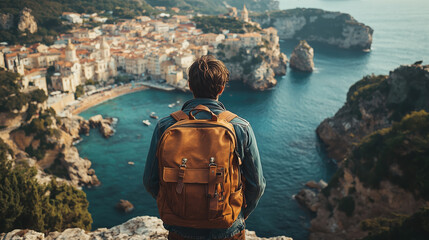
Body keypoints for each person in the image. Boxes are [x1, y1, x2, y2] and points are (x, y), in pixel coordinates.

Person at [143, 55, 266, 240]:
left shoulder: (165, 126)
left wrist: (176, 205)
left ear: (190, 86)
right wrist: (240, 213)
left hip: (179, 228)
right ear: (222, 88)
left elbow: (150, 181)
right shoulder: (241, 128)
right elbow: (257, 185)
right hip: (228, 228)